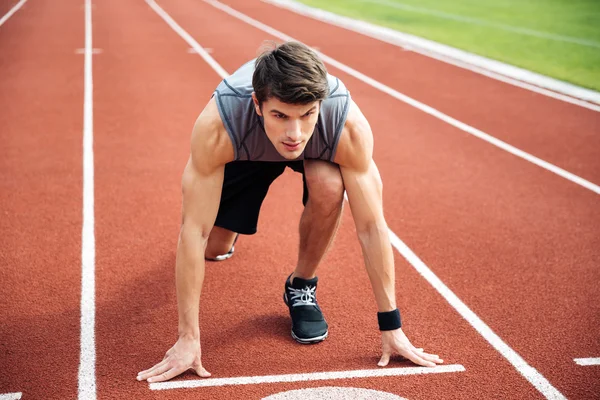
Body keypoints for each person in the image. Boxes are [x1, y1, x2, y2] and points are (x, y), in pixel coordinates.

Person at [137, 41, 443, 384]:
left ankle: (301, 285)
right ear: (257, 104)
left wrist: (392, 327)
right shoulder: (219, 126)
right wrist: (187, 339)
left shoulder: (347, 127)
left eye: (306, 115)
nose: (294, 133)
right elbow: (194, 231)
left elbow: (372, 227)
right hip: (246, 149)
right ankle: (233, 229)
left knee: (329, 185)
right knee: (214, 247)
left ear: (320, 106)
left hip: (318, 151)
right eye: (280, 115)